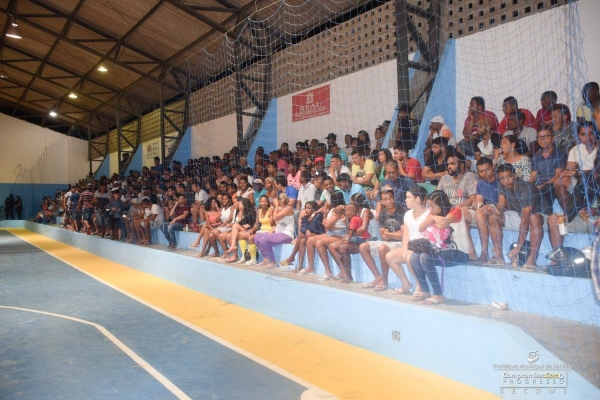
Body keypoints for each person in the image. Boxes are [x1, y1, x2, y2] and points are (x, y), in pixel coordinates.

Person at [484, 164, 547, 269]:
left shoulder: (526, 188)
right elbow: (501, 206)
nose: (506, 181)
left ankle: (532, 259)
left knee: (533, 218)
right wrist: (492, 209)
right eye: (502, 178)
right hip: (519, 213)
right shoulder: (501, 185)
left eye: (509, 176)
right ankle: (498, 256)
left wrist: (519, 246)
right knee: (493, 218)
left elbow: (525, 218)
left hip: (541, 215)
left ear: (515, 175)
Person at [409, 191, 468, 305]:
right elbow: (421, 228)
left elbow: (443, 224)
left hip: (459, 252)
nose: (430, 209)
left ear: (441, 205)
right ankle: (425, 291)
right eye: (429, 206)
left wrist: (432, 218)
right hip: (441, 251)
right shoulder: (433, 214)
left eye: (433, 206)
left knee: (426, 257)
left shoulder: (455, 211)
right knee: (414, 257)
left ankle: (438, 294)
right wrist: (433, 218)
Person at [358, 186, 405, 291]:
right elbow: (383, 235)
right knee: (363, 247)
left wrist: (389, 234)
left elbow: (403, 235)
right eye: (385, 199)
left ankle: (384, 280)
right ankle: (377, 277)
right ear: (381, 202)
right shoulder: (383, 213)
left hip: (401, 243)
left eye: (391, 198)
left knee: (382, 248)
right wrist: (393, 234)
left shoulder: (402, 211)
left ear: (394, 198)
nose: (389, 201)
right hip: (389, 242)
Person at [386, 185, 430, 295]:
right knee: (390, 256)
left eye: (409, 197)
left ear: (418, 199)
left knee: (410, 257)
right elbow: (406, 235)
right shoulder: (407, 214)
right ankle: (406, 284)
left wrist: (408, 252)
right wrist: (405, 249)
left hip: (424, 247)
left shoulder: (429, 213)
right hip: (411, 246)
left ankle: (420, 285)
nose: (405, 200)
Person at [435, 150, 479, 261]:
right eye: (448, 164)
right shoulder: (445, 178)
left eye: (453, 164)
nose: (449, 166)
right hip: (448, 212)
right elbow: (436, 196)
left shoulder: (469, 176)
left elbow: (473, 197)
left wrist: (457, 207)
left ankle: (471, 253)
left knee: (460, 212)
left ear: (462, 165)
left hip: (467, 211)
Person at [553, 123, 599, 227]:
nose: (588, 137)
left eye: (591, 133)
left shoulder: (598, 148)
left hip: (595, 183)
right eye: (583, 134)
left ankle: (576, 211)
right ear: (578, 136)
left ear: (596, 133)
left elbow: (596, 172)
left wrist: (575, 172)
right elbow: (568, 170)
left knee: (587, 179)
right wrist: (565, 176)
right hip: (579, 182)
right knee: (558, 182)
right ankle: (570, 212)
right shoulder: (576, 149)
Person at [328, 194, 372, 283]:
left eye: (351, 202)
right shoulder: (354, 216)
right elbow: (352, 229)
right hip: (357, 237)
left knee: (343, 247)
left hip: (365, 240)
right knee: (332, 246)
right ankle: (343, 271)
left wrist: (349, 237)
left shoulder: (365, 211)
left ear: (355, 204)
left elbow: (362, 229)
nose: (346, 209)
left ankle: (348, 276)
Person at [306, 191, 347, 281]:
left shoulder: (340, 209)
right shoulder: (333, 208)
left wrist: (326, 219)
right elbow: (325, 223)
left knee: (319, 243)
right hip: (332, 233)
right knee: (310, 240)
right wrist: (320, 214)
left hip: (340, 234)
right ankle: (311, 267)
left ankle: (329, 271)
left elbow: (327, 225)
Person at [280, 201, 325, 273]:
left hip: (319, 234)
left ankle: (292, 257)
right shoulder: (305, 217)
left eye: (309, 208)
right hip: (309, 235)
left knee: (301, 235)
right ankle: (300, 266)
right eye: (306, 208)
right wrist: (307, 230)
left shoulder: (318, 215)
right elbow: (302, 228)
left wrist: (307, 229)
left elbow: (313, 228)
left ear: (314, 209)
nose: (306, 210)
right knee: (302, 240)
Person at [529, 128, 567, 213]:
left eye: (546, 136)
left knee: (547, 188)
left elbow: (558, 175)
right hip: (539, 185)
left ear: (553, 138)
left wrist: (542, 185)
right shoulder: (537, 156)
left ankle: (549, 215)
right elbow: (533, 176)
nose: (542, 139)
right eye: (539, 137)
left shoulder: (559, 153)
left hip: (553, 185)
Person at [255, 193, 295, 268]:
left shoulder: (288, 209)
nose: (274, 201)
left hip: (287, 234)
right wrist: (270, 232)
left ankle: (273, 262)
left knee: (264, 240)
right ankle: (266, 258)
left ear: (279, 201)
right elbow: (274, 224)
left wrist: (275, 206)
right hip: (278, 232)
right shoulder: (279, 209)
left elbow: (276, 218)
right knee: (257, 238)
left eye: (276, 200)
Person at [223, 198, 257, 263]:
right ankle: (242, 255)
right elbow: (242, 223)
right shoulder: (240, 211)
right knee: (231, 235)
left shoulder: (251, 212)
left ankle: (233, 246)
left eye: (240, 204)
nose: (239, 205)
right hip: (244, 230)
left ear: (244, 205)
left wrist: (241, 211)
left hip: (252, 231)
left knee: (235, 226)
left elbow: (240, 222)